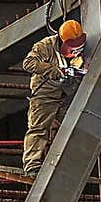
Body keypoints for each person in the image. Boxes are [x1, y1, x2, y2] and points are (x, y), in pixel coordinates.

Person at [21, 19, 87, 175]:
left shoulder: (79, 46)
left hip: (65, 96)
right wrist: (51, 69)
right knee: (38, 129)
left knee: (75, 127)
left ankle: (71, 165)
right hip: (44, 95)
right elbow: (28, 63)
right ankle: (32, 166)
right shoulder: (45, 46)